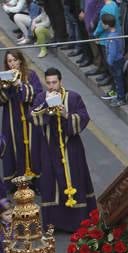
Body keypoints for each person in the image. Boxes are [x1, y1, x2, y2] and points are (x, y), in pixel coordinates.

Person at [30, 67, 96, 233]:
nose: (52, 86)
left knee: (76, 179)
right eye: (49, 83)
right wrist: (46, 105)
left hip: (71, 147)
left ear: (60, 81)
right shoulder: (41, 98)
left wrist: (66, 114)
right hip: (50, 148)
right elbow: (32, 117)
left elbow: (84, 117)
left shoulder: (73, 97)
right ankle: (54, 223)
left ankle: (79, 223)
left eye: (55, 82)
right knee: (50, 183)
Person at [0, 49, 42, 185]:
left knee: (33, 148)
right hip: (11, 119)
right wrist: (4, 86)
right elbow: (1, 101)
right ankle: (15, 182)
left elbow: (37, 96)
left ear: (20, 60)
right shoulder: (3, 78)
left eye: (14, 60)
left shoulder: (31, 75)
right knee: (12, 147)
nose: (12, 64)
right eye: (9, 61)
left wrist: (19, 84)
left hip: (29, 119)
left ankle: (35, 182)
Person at [101, 13, 126, 107]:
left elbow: (112, 52)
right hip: (119, 59)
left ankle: (121, 98)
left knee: (118, 80)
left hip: (115, 62)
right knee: (118, 79)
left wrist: (109, 62)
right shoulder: (117, 33)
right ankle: (119, 95)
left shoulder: (111, 37)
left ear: (107, 25)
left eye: (102, 23)